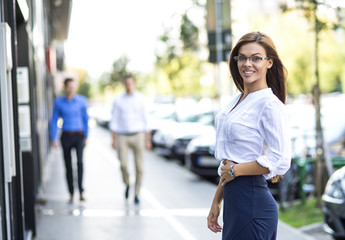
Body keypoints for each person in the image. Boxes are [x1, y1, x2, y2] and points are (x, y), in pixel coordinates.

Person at [207, 31, 291, 239]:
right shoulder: (236, 102)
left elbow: (277, 159)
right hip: (235, 203)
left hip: (253, 206)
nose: (247, 64)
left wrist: (235, 170)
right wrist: (217, 201)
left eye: (256, 58)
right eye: (242, 57)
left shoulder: (269, 105)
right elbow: (231, 161)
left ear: (269, 63)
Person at [109, 75, 151, 204]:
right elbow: (114, 119)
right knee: (123, 164)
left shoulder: (141, 99)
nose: (129, 86)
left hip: (138, 134)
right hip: (122, 135)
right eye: (126, 83)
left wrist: (147, 139)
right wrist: (113, 138)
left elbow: (146, 119)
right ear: (124, 84)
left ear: (134, 84)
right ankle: (127, 183)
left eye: (131, 83)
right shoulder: (118, 99)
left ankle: (137, 192)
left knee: (139, 166)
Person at [50, 78, 89, 203]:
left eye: (73, 86)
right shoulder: (58, 102)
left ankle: (81, 191)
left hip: (79, 136)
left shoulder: (82, 101)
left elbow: (85, 120)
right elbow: (54, 120)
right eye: (69, 87)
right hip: (66, 136)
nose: (71, 89)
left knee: (80, 163)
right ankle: (71, 193)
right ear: (65, 87)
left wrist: (86, 136)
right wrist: (54, 138)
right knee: (68, 165)